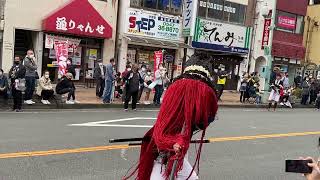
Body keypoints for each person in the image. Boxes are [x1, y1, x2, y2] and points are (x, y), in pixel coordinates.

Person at [123, 54, 218, 180]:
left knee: (188, 175)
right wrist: (173, 141)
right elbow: (160, 133)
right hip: (164, 148)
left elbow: (206, 120)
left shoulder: (181, 90)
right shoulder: (194, 93)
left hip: (179, 143)